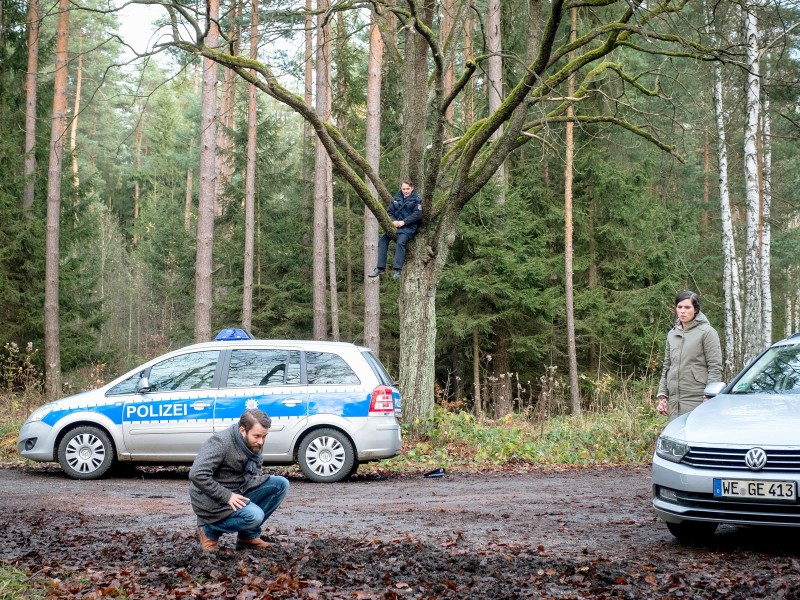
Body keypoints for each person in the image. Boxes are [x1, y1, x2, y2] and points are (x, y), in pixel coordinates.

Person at [189, 409, 290, 553]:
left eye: (264, 436)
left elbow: (257, 464)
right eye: (257, 436)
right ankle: (208, 529)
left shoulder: (254, 442)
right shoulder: (221, 442)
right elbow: (197, 474)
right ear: (242, 430)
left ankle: (247, 537)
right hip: (212, 499)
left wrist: (256, 476)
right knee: (254, 516)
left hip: (239, 489)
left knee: (280, 484)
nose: (261, 441)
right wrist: (227, 496)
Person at [657, 291, 722, 421]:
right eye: (679, 307)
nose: (682, 311)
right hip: (675, 400)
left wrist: (709, 397)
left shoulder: (707, 332)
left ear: (696, 309)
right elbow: (667, 366)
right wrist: (663, 396)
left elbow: (715, 367)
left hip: (696, 398)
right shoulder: (672, 334)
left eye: (687, 307)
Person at [368, 180, 423, 281]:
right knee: (382, 240)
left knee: (400, 242)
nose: (405, 191)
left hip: (408, 227)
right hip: (395, 226)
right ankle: (380, 268)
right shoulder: (396, 198)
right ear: (401, 188)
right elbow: (390, 212)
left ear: (412, 188)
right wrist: (393, 221)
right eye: (403, 189)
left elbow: (417, 215)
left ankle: (398, 270)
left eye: (407, 189)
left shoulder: (417, 199)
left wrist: (404, 222)